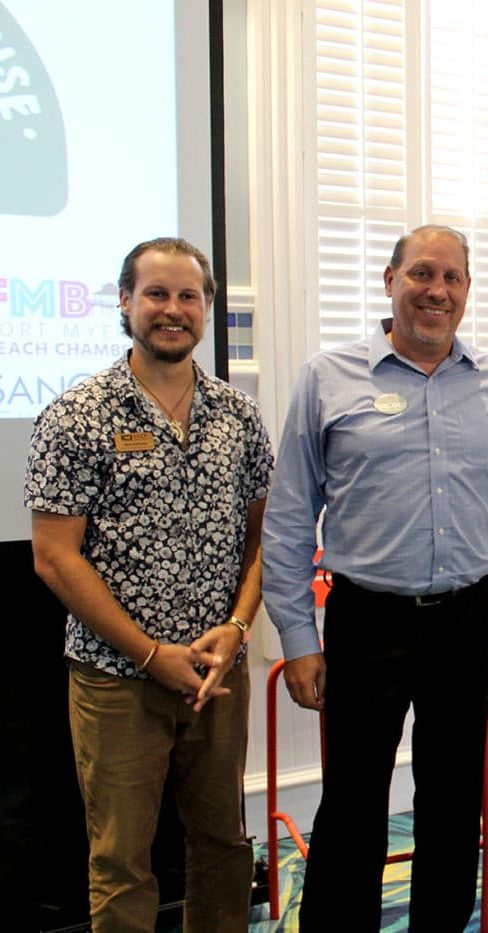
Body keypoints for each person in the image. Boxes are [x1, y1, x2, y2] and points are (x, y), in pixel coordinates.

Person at [261, 225, 488, 930]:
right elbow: (290, 515)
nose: (436, 290)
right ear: (389, 280)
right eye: (420, 274)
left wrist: (482, 566)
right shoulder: (327, 376)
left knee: (450, 800)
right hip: (367, 620)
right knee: (353, 800)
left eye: (452, 278)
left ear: (468, 290)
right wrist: (296, 633)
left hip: (466, 619)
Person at [25, 237, 272, 930]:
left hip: (217, 675)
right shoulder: (78, 415)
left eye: (187, 295)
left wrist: (238, 627)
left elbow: (263, 538)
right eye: (156, 294)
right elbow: (54, 557)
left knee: (224, 845)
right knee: (122, 861)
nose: (173, 309)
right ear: (126, 302)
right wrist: (148, 652)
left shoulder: (239, 416)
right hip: (116, 680)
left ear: (207, 308)